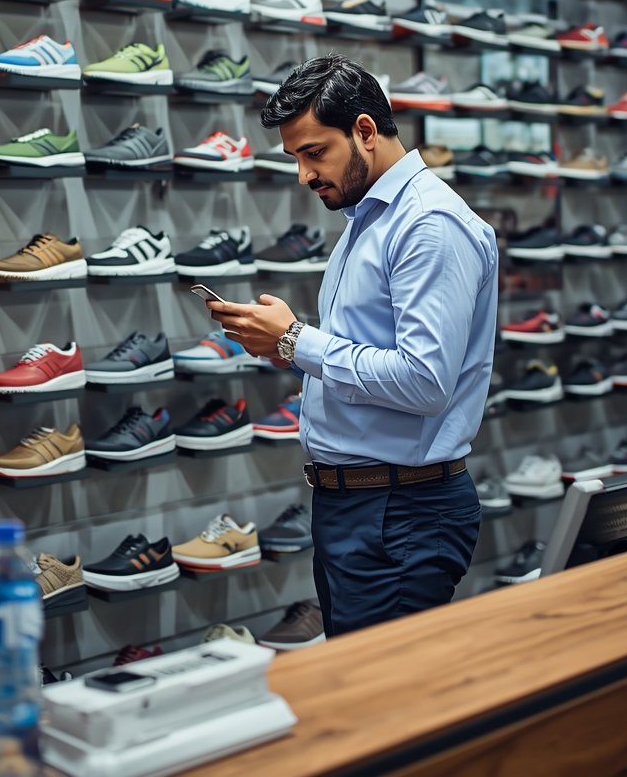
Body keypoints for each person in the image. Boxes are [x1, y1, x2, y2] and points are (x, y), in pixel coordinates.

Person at [209, 55, 498, 637]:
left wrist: (295, 340)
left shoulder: (428, 224)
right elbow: (372, 354)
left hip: (402, 512)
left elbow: (425, 379)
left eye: (314, 153)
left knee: (388, 706)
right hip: (359, 505)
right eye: (295, 158)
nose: (304, 176)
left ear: (364, 131)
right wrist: (287, 347)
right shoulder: (368, 220)